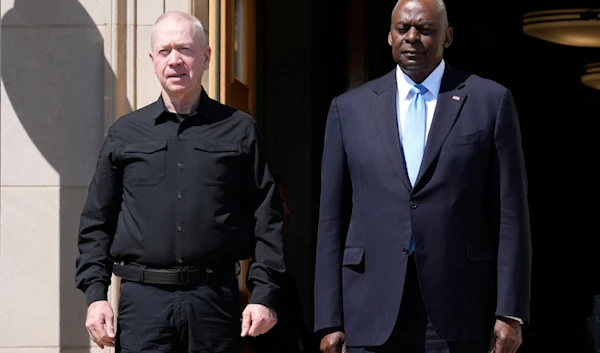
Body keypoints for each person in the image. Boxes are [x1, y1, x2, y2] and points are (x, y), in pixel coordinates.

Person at [313, 0, 532, 352]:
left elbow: (511, 216)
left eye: (425, 29)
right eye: (403, 29)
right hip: (370, 307)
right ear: (389, 36)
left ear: (447, 36)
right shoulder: (349, 108)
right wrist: (328, 317)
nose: (412, 37)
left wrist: (510, 311)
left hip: (459, 307)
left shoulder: (489, 101)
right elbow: (331, 219)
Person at [75, 10, 285, 353]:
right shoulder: (125, 134)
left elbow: (268, 217)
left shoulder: (240, 130)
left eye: (185, 49)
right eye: (165, 51)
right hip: (142, 305)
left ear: (206, 57)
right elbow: (96, 222)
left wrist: (264, 293)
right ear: (152, 60)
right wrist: (95, 295)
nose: (175, 60)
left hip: (213, 301)